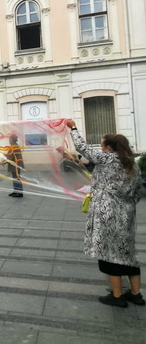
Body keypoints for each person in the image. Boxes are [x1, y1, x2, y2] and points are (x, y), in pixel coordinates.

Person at [67, 119, 145, 308]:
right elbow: (138, 192)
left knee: (109, 253)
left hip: (107, 212)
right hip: (127, 214)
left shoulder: (108, 158)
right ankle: (136, 294)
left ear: (109, 147)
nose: (101, 149)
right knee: (127, 252)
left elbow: (82, 148)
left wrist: (73, 128)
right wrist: (125, 204)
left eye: (102, 146)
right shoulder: (132, 164)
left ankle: (117, 296)